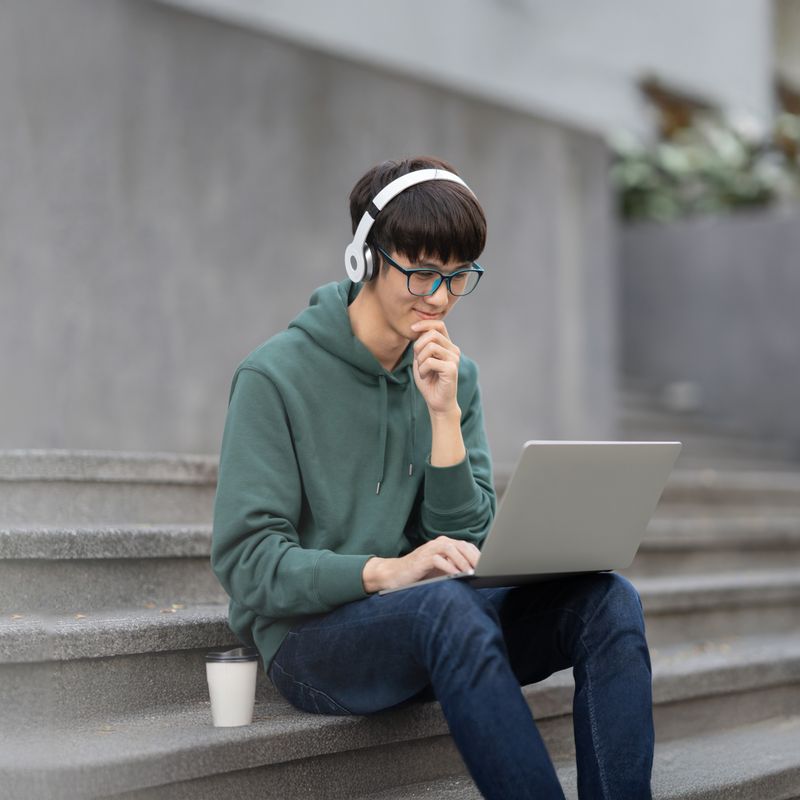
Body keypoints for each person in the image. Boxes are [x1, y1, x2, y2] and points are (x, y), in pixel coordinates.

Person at [211, 156, 654, 799]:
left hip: (430, 626)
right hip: (310, 645)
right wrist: (384, 572)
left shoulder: (453, 375)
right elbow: (247, 562)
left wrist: (443, 413)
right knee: (444, 608)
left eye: (456, 277)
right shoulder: (273, 377)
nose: (439, 297)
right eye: (420, 272)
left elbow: (470, 537)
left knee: (607, 599)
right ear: (364, 259)